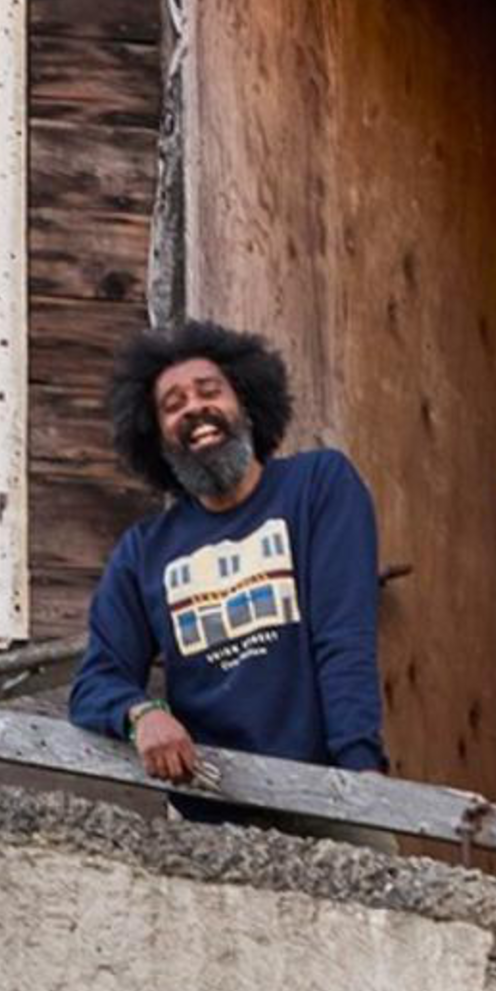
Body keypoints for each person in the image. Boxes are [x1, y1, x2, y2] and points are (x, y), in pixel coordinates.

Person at [68, 322, 388, 791]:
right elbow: (96, 681)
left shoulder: (318, 486)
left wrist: (362, 774)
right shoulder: (144, 552)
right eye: (173, 405)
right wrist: (141, 714)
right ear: (158, 440)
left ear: (247, 406)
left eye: (209, 391)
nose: (195, 408)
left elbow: (344, 637)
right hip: (212, 803)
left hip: (330, 792)